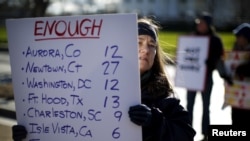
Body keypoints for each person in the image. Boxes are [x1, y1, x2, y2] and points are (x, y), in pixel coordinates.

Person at [12, 17, 196, 141]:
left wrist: (155, 121)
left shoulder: (165, 96)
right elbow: (69, 128)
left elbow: (187, 135)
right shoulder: (93, 86)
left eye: (152, 45)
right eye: (138, 42)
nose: (146, 50)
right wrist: (31, 133)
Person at [185, 11, 224, 141]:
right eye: (198, 23)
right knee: (189, 105)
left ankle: (205, 133)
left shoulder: (215, 40)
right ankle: (187, 131)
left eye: (201, 23)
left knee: (206, 106)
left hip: (206, 78)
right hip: (192, 77)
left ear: (208, 24)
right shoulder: (191, 38)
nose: (199, 25)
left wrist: (210, 62)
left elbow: (219, 58)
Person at [230, 23, 250, 127]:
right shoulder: (235, 50)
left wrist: (242, 69)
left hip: (247, 97)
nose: (237, 39)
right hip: (236, 93)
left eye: (239, 36)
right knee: (236, 119)